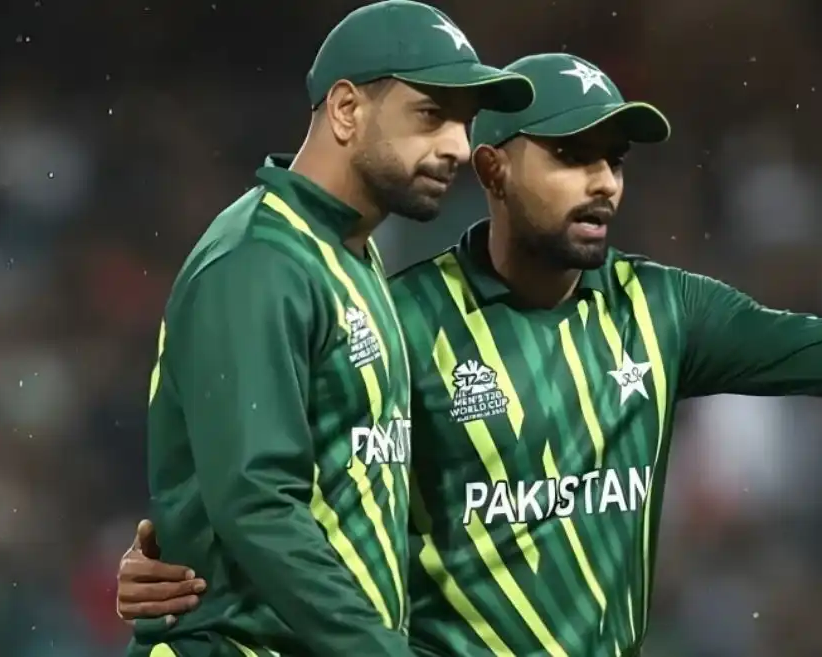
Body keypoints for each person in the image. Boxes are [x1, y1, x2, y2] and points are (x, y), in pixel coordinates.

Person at [118, 53, 822, 657]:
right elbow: (290, 490)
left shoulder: (661, 311)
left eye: (616, 161)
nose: (604, 183)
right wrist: (174, 572)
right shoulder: (407, 322)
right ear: (492, 171)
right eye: (573, 156)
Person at [127, 2, 533, 656]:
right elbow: (258, 507)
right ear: (346, 110)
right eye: (431, 114)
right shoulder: (258, 261)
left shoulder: (348, 255)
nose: (460, 146)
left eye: (466, 122)